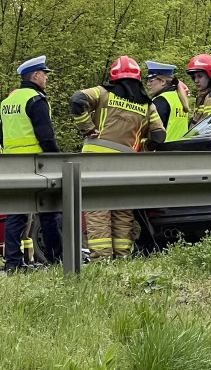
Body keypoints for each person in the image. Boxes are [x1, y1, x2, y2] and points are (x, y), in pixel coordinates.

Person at [70, 56, 166, 259]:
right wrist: (144, 146)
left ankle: (102, 259)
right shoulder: (147, 105)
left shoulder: (102, 93)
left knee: (98, 209)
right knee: (123, 211)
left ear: (114, 76)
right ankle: (122, 256)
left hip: (95, 162)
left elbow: (77, 99)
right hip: (126, 165)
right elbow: (159, 135)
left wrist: (87, 128)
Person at [0, 56, 63, 272]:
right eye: (44, 74)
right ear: (35, 75)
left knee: (16, 215)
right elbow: (45, 136)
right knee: (48, 214)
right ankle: (56, 259)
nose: (46, 78)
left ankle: (13, 263)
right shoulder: (36, 100)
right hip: (38, 165)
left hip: (13, 165)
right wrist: (57, 158)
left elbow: (3, 138)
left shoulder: (8, 102)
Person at [144, 61, 190, 142]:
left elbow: (153, 132)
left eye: (151, 80)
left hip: (164, 150)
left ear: (163, 82)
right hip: (180, 149)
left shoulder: (161, 100)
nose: (148, 84)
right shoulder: (179, 98)